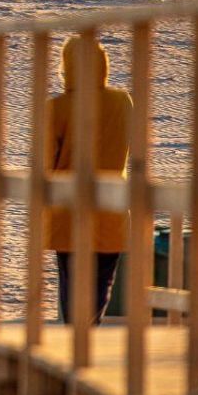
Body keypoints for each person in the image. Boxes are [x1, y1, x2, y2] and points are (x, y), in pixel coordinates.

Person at [45, 32, 133, 324]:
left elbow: (45, 164)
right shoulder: (122, 102)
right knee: (102, 283)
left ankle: (75, 338)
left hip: (69, 211)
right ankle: (88, 332)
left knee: (71, 281)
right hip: (111, 207)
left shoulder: (56, 108)